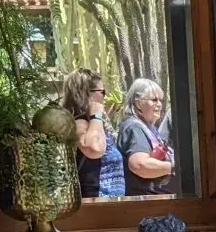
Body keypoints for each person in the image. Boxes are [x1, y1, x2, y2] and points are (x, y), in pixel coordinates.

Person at [63, 68, 129, 200]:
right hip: (94, 203)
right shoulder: (79, 122)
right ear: (87, 94)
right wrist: (96, 115)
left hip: (108, 203)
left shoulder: (94, 124)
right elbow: (95, 148)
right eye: (102, 92)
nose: (105, 96)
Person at [118, 78, 177, 197]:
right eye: (154, 100)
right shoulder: (134, 127)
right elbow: (140, 165)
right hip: (144, 200)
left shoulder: (149, 128)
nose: (159, 105)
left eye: (161, 100)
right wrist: (175, 168)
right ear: (138, 103)